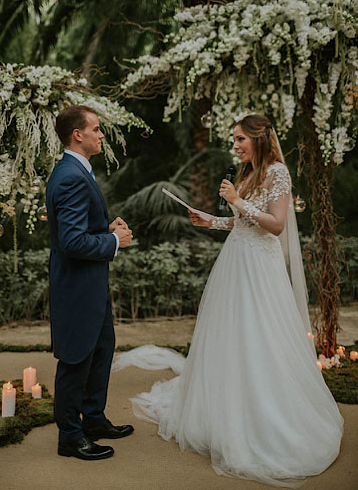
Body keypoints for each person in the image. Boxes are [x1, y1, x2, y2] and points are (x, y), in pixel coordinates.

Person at [114, 114, 342, 486]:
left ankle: (268, 415)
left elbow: (276, 224)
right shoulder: (248, 172)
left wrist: (236, 200)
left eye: (239, 139)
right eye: (233, 140)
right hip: (235, 263)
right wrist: (210, 221)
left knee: (261, 337)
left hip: (260, 269)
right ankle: (226, 409)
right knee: (231, 337)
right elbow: (243, 222)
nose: (234, 146)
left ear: (259, 139)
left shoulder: (278, 173)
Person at [44, 105, 134, 461]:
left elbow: (81, 231)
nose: (101, 135)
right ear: (77, 135)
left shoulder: (78, 171)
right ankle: (69, 436)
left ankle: (93, 419)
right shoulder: (69, 176)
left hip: (92, 285)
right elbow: (71, 242)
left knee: (100, 352)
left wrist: (105, 230)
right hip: (77, 288)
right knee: (76, 359)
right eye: (95, 129)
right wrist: (114, 243)